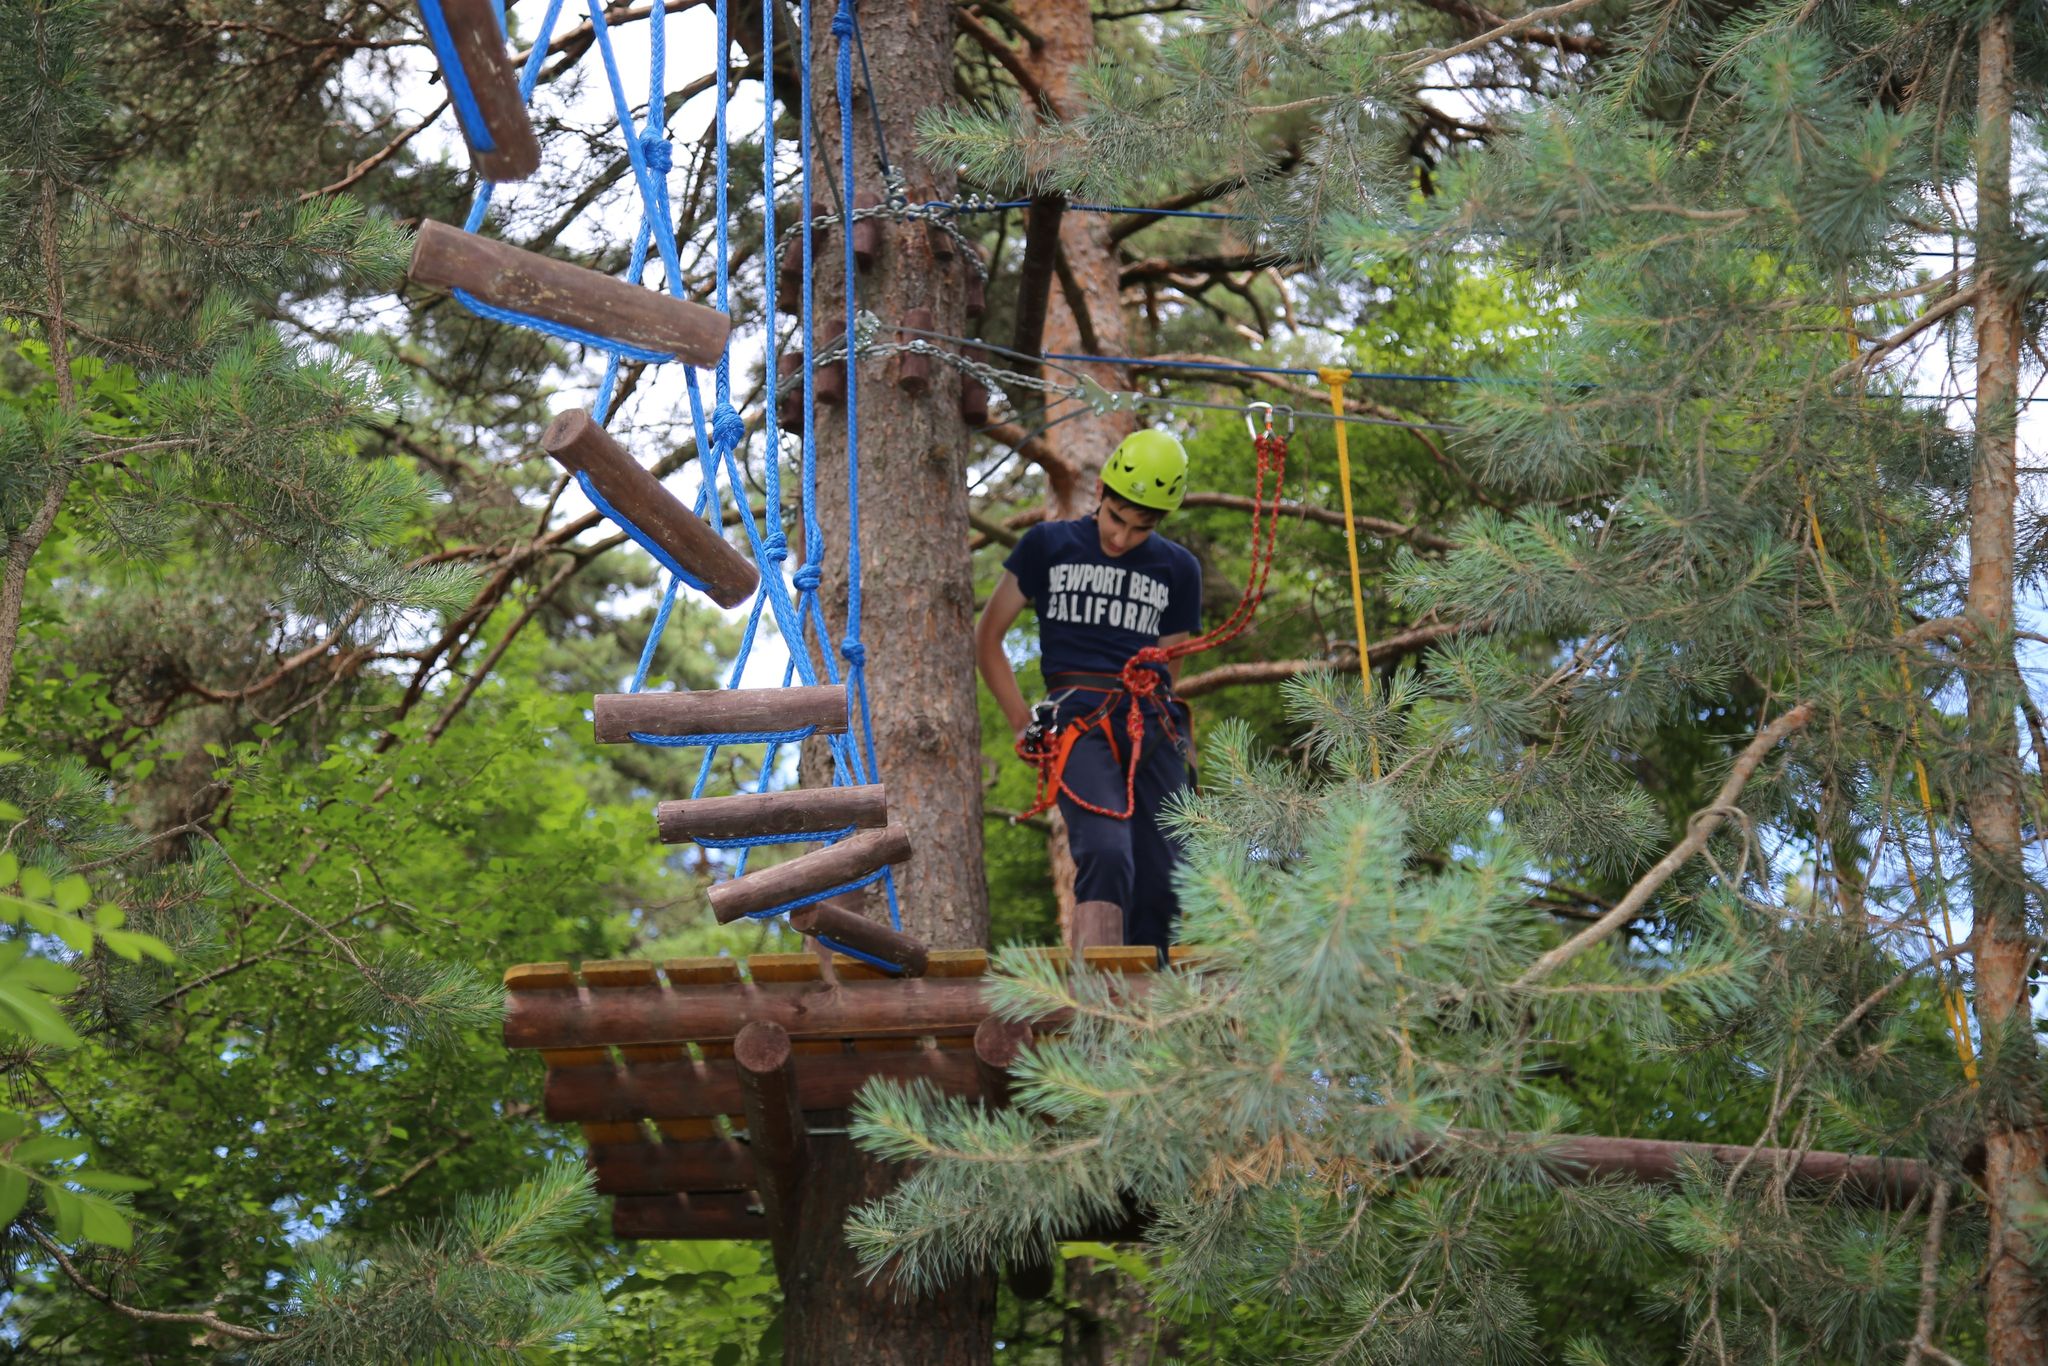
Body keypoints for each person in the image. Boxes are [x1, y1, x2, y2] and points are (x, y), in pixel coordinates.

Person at [975, 428, 1203, 954]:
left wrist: (1159, 725)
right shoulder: (1047, 545)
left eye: (1141, 528)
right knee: (1105, 850)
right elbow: (988, 639)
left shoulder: (1178, 569)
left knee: (1167, 871)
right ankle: (1100, 984)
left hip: (1150, 722)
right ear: (1099, 491)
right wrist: (1021, 723)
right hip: (1078, 719)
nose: (1122, 538)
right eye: (1116, 518)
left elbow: (1168, 668)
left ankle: (1153, 988)